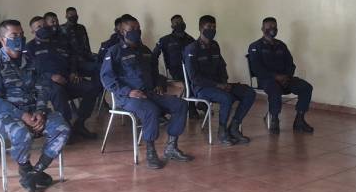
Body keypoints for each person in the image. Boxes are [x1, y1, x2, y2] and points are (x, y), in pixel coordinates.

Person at [0, 20, 71, 192]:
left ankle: (35, 172)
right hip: (4, 115)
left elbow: (42, 88)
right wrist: (22, 115)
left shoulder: (30, 60)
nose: (19, 38)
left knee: (62, 127)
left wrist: (40, 111)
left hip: (33, 112)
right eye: (14, 35)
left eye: (22, 35)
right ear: (2, 40)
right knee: (22, 133)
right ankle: (25, 168)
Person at [100, 15, 192, 169]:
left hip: (149, 93)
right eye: (131, 29)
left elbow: (155, 73)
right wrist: (128, 92)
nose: (136, 31)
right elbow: (106, 78)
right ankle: (151, 152)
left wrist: (159, 84)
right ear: (122, 31)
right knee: (151, 110)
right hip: (127, 97)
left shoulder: (145, 51)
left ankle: (171, 147)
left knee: (180, 104)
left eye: (138, 28)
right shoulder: (114, 51)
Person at [184, 15, 255, 146]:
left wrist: (224, 83)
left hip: (219, 85)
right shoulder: (191, 49)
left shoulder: (215, 46)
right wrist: (218, 85)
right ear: (200, 28)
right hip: (202, 88)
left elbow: (222, 67)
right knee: (226, 98)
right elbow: (195, 78)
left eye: (214, 27)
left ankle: (234, 127)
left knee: (249, 92)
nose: (212, 29)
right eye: (209, 27)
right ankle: (222, 132)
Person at [26, 16, 97, 139]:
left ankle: (80, 124)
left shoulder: (60, 42)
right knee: (58, 91)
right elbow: (29, 72)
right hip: (45, 84)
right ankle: (66, 129)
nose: (43, 28)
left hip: (66, 79)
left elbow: (72, 58)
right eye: (39, 27)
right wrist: (51, 76)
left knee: (91, 88)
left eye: (44, 25)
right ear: (32, 31)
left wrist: (73, 72)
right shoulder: (29, 48)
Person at [248, 17, 314, 134]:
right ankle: (274, 119)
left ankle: (299, 120)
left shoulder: (281, 45)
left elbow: (290, 64)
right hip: (266, 80)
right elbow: (257, 69)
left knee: (306, 87)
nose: (272, 29)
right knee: (275, 88)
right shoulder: (255, 46)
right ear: (262, 29)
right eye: (269, 26)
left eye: (275, 26)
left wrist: (287, 76)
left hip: (285, 79)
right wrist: (275, 77)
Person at [154, 14, 199, 118]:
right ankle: (192, 108)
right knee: (190, 79)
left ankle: (201, 102)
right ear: (172, 26)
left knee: (199, 76)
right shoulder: (165, 40)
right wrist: (156, 71)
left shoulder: (190, 39)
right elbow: (154, 55)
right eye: (176, 23)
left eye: (181, 22)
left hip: (189, 69)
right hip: (175, 70)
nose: (179, 24)